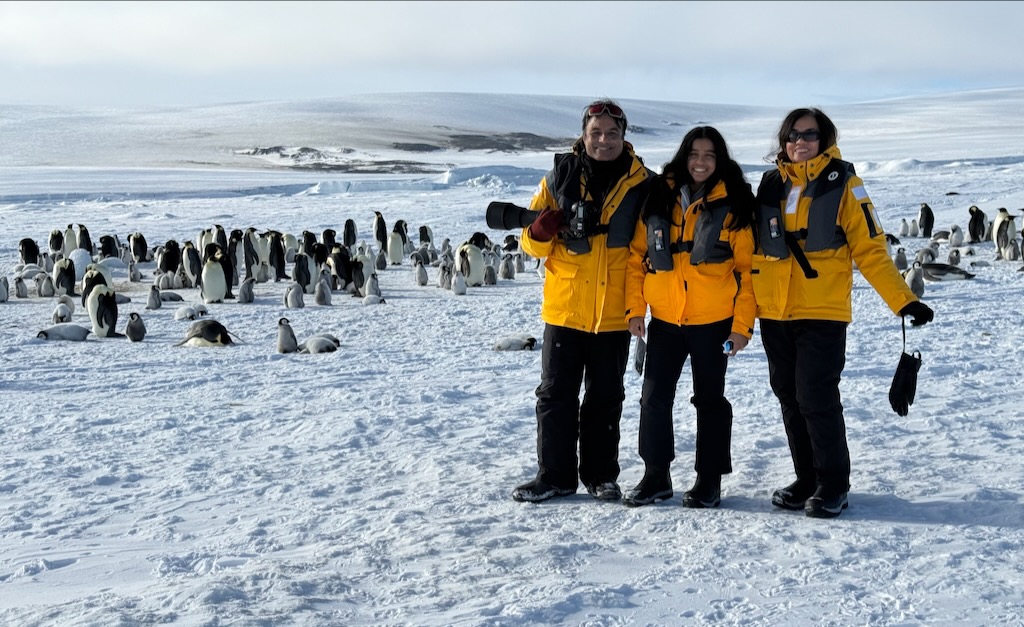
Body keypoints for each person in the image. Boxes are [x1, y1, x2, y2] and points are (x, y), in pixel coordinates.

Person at [752, 108, 934, 518]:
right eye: (793, 134)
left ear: (824, 139)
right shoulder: (769, 185)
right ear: (784, 141)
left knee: (815, 395)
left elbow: (870, 250)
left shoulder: (845, 185)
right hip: (775, 312)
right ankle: (806, 478)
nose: (801, 141)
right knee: (789, 396)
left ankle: (833, 484)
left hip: (822, 310)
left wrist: (903, 299)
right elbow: (751, 251)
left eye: (810, 134)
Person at [511, 99, 654, 503]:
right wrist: (538, 232)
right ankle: (554, 475)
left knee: (605, 397)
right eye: (596, 132)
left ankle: (600, 475)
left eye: (612, 133)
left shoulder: (643, 183)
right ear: (584, 135)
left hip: (614, 312)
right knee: (555, 395)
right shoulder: (559, 177)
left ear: (624, 136)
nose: (603, 140)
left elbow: (642, 254)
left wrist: (636, 309)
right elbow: (530, 245)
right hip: (566, 306)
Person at [621, 126, 756, 508]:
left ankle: (708, 480)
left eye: (709, 155)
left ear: (720, 160)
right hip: (664, 321)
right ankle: (656, 476)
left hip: (713, 322)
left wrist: (741, 327)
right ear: (684, 155)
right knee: (653, 399)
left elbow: (748, 273)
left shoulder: (736, 203)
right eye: (694, 153)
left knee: (710, 400)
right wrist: (636, 311)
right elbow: (635, 259)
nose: (700, 162)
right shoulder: (659, 196)